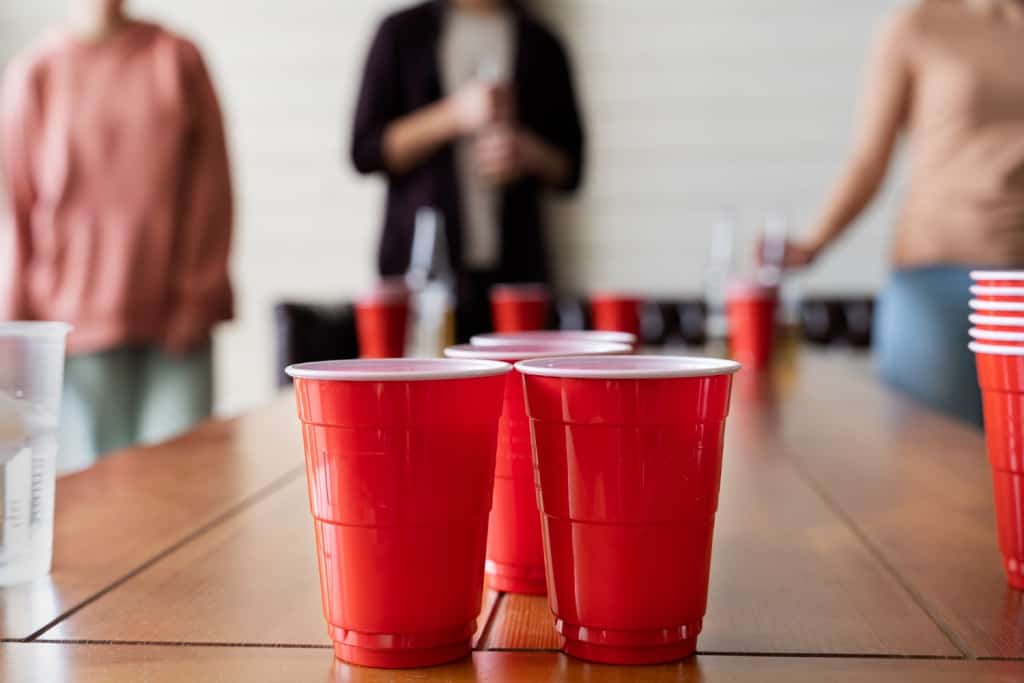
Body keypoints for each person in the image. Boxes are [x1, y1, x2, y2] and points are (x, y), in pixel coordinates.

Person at [0, 0, 234, 471]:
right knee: (95, 509)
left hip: (176, 333)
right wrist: (15, 342)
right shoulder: (35, 73)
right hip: (72, 337)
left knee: (183, 489)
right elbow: (15, 214)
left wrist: (196, 298)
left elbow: (212, 191)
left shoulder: (176, 58)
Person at [779, 0, 1024, 426]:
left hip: (1017, 272)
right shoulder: (918, 25)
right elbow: (869, 159)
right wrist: (813, 242)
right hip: (936, 276)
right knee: (929, 463)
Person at [350, 0, 585, 342]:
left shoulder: (541, 42)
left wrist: (529, 153)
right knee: (423, 386)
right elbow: (365, 150)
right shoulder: (401, 33)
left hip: (517, 277)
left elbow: (572, 169)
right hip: (420, 278)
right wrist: (454, 115)